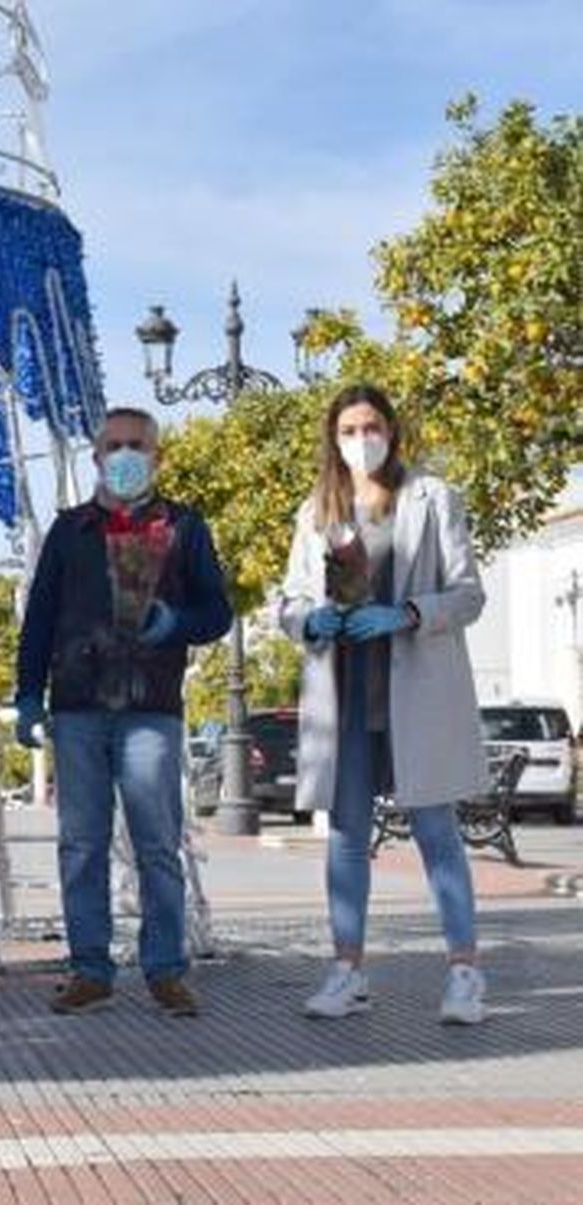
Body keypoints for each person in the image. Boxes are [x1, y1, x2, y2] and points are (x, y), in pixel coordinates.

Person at [277, 383, 489, 1024]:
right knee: (345, 838)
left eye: (371, 426)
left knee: (435, 834)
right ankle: (346, 970)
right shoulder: (317, 510)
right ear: (333, 438)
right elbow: (287, 600)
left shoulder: (432, 498)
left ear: (391, 431)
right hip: (344, 699)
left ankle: (464, 974)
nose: (361, 439)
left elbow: (469, 595)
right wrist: (310, 621)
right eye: (348, 429)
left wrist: (407, 614)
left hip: (416, 693)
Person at [15, 407, 232, 1017]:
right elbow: (39, 620)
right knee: (80, 843)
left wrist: (176, 624)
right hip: (79, 705)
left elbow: (218, 611)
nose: (125, 455)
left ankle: (164, 969)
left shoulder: (185, 527)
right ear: (96, 457)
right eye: (114, 445)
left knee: (157, 842)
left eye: (137, 445)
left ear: (157, 456)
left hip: (150, 707)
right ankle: (90, 968)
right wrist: (28, 693)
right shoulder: (69, 530)